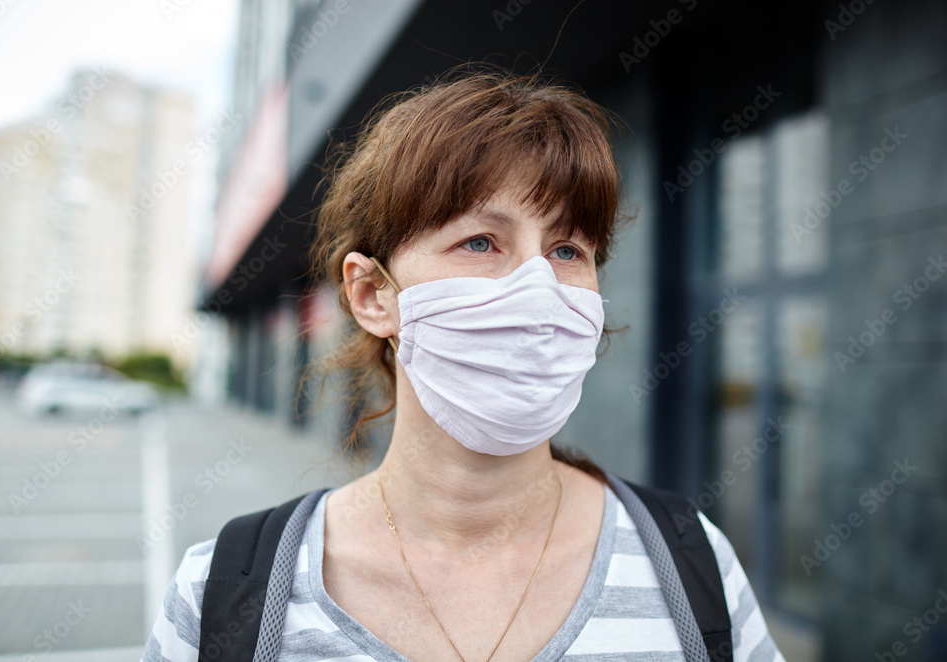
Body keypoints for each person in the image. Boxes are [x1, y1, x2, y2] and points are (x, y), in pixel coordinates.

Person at [142, 68, 785, 662]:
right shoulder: (224, 596)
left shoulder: (691, 564)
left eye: (567, 250)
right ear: (372, 295)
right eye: (480, 241)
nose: (539, 291)